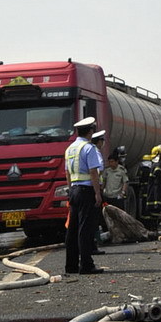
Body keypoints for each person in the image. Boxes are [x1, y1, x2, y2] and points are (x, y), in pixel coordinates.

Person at [64, 116, 104, 274]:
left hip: (74, 190)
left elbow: (67, 173)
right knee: (85, 229)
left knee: (72, 229)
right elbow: (93, 172)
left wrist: (70, 191)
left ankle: (71, 266)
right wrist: (97, 193)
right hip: (86, 191)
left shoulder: (70, 149)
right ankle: (86, 265)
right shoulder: (89, 148)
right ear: (90, 132)